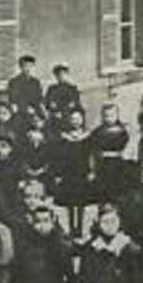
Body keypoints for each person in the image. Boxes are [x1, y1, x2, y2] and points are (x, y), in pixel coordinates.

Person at [48, 106, 93, 234]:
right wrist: (58, 174)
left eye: (78, 118)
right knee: (69, 203)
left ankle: (79, 228)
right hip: (68, 174)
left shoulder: (88, 137)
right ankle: (70, 229)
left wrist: (91, 171)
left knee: (81, 203)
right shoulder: (63, 138)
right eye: (72, 119)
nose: (75, 121)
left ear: (83, 119)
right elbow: (59, 157)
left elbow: (92, 156)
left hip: (82, 174)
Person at [87, 102, 134, 205]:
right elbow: (92, 153)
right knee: (103, 196)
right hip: (103, 167)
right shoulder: (97, 132)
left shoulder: (124, 131)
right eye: (105, 116)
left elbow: (130, 149)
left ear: (117, 115)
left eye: (111, 115)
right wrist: (92, 170)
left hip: (119, 167)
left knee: (119, 195)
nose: (108, 118)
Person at [44, 63, 82, 128]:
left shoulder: (72, 89)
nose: (61, 76)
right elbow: (47, 103)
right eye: (58, 75)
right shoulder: (52, 89)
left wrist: (64, 112)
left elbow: (74, 104)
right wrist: (54, 111)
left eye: (63, 74)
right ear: (56, 76)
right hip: (55, 117)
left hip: (69, 117)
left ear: (67, 75)